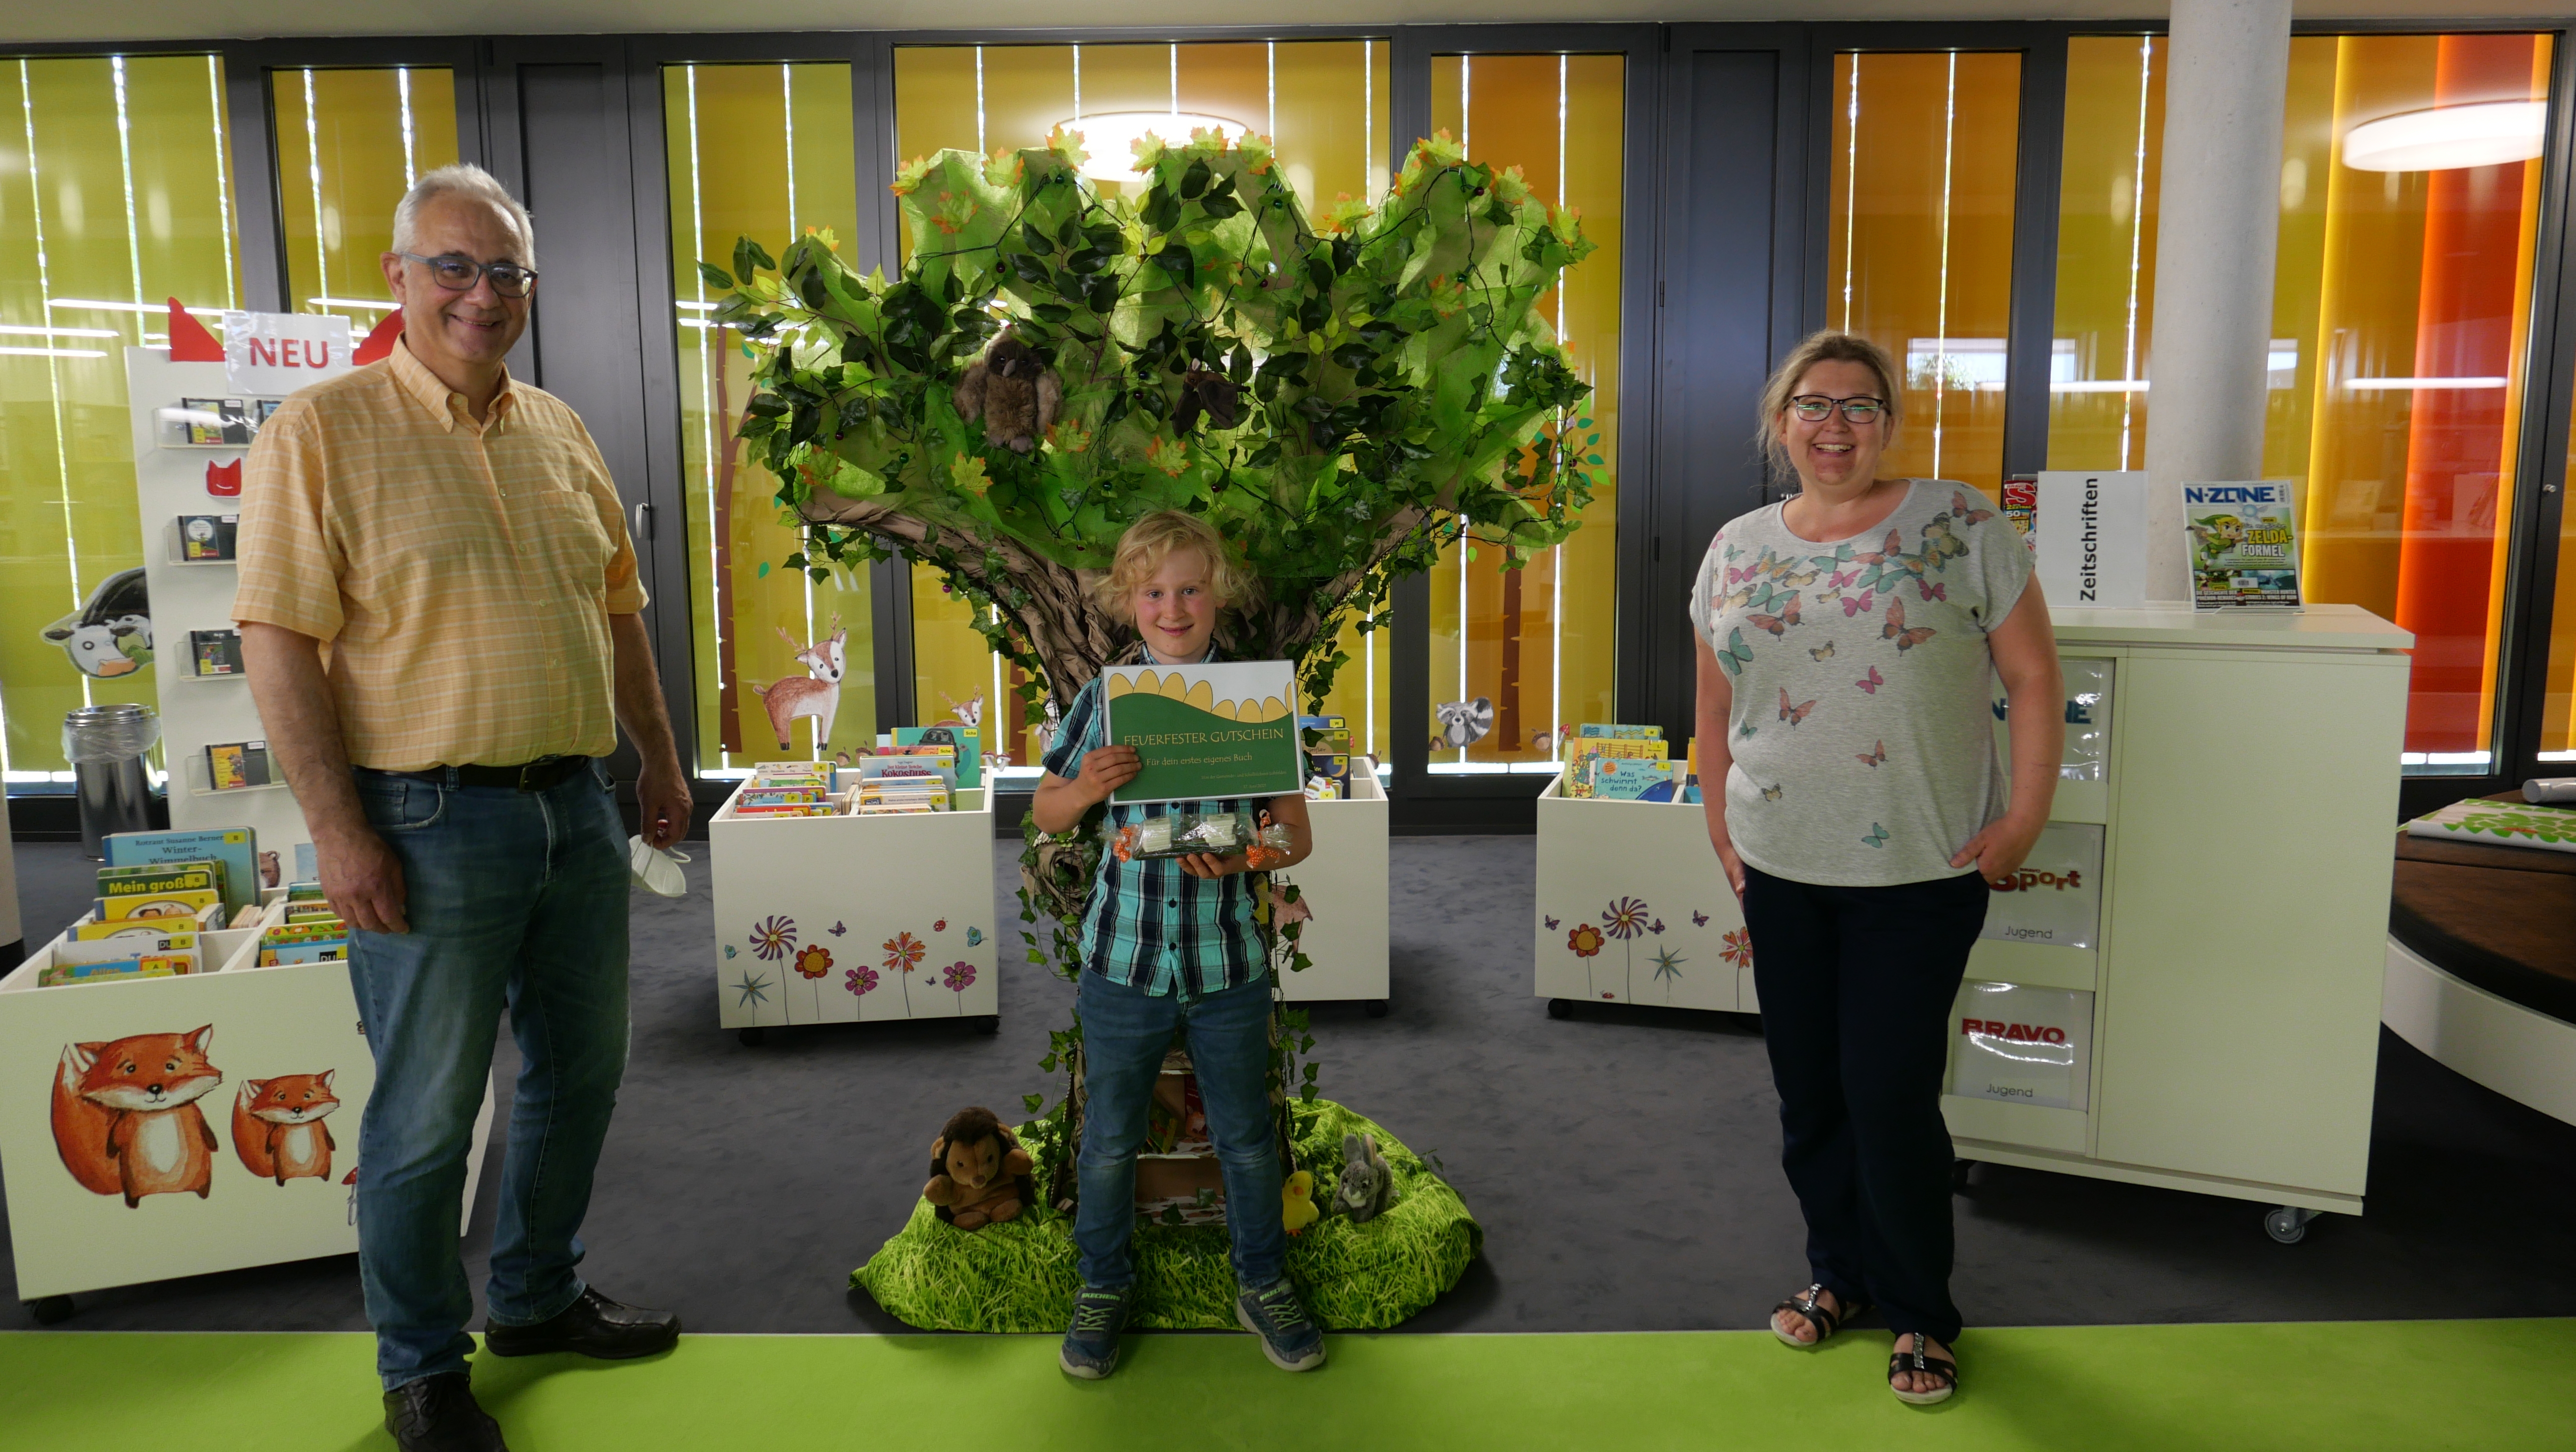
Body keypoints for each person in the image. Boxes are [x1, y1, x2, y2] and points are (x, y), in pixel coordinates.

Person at [237, 163, 692, 1452]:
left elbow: (620, 617)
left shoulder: (559, 429)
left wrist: (657, 763)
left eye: (503, 272)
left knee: (579, 1078)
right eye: (453, 265)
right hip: (423, 823)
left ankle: (539, 1300)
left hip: (573, 809)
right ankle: (424, 1368)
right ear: (397, 278)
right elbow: (276, 640)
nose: (479, 294)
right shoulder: (319, 432)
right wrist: (338, 831)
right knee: (429, 1113)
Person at [1690, 330, 2063, 1406]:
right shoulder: (1737, 546)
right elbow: (1714, 705)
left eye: (1858, 406)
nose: (1834, 426)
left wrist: (2026, 814)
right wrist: (1717, 824)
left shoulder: (1959, 527)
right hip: (1780, 865)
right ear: (1780, 424)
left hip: (1919, 865)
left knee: (1888, 1093)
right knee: (1807, 1094)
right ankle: (1837, 1275)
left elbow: (2033, 678)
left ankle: (1918, 1311)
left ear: (1888, 422)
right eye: (1811, 405)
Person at [1030, 510, 1324, 1380]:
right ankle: (1103, 1284)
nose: (1174, 606)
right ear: (1128, 602)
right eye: (1155, 592)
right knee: (1110, 1140)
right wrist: (1084, 788)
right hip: (1123, 962)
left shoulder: (1257, 698)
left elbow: (1296, 834)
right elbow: (1045, 811)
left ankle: (1261, 1280)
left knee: (1244, 1138)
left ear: (1216, 593)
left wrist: (1248, 854)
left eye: (1190, 588)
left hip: (1227, 960)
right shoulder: (1103, 700)